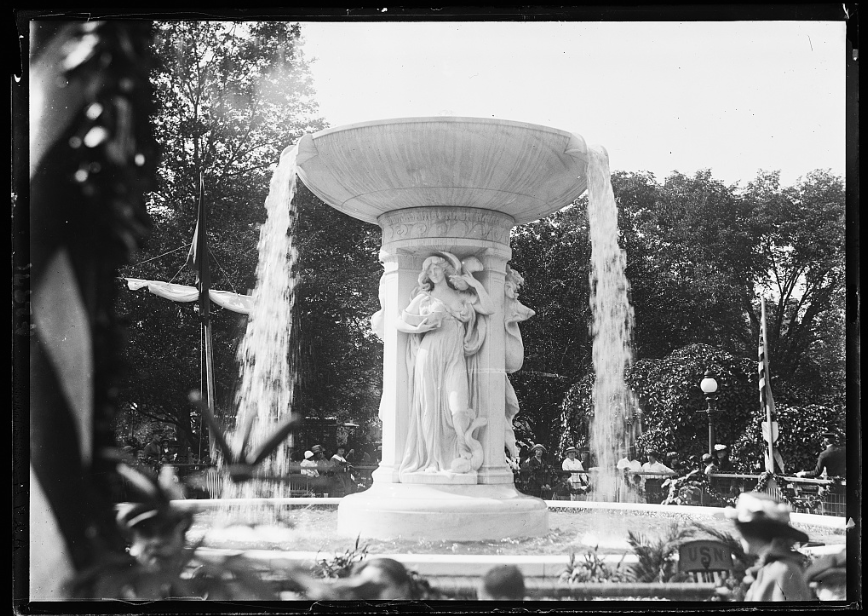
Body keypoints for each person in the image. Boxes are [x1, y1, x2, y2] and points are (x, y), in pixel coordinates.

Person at [395, 252, 495, 478]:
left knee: (458, 407)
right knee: (429, 409)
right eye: (429, 271)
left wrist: (474, 283)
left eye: (437, 268)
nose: (433, 273)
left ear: (445, 270)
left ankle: (462, 449)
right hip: (429, 354)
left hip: (454, 356)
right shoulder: (424, 298)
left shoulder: (461, 296)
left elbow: (489, 308)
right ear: (426, 275)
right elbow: (400, 321)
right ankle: (432, 461)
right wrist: (418, 329)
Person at [725, 492, 813, 601]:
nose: (739, 536)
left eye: (740, 530)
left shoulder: (782, 570)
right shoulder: (774, 567)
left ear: (754, 532)